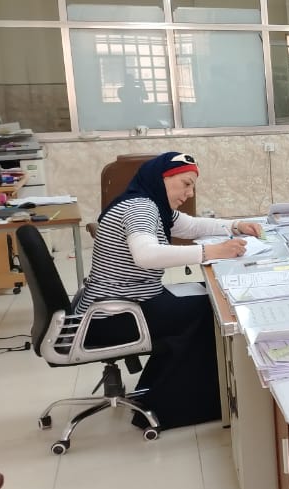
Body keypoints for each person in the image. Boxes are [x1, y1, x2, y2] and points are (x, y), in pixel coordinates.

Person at [77, 152, 263, 430]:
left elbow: (191, 225)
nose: (189, 193)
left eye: (192, 187)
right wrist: (210, 252)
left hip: (120, 304)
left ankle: (161, 391)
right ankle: (171, 407)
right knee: (214, 311)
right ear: (161, 178)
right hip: (112, 316)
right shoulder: (140, 208)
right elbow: (146, 255)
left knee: (210, 297)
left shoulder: (151, 204)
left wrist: (235, 226)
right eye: (185, 184)